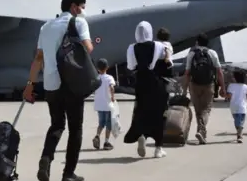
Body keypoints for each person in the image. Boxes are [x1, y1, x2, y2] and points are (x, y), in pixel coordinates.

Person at [23, 0, 93, 181]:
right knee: (75, 128)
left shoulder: (45, 27)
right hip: (72, 82)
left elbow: (38, 58)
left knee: (56, 125)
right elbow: (88, 48)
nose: (83, 11)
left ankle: (45, 160)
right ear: (73, 7)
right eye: (82, 7)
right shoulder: (78, 23)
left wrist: (29, 85)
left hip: (51, 83)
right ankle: (68, 174)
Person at [123, 21, 172, 159]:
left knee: (142, 112)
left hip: (141, 84)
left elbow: (131, 66)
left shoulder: (132, 48)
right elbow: (168, 63)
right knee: (160, 114)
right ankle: (158, 148)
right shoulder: (159, 46)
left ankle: (142, 135)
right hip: (157, 84)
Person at [182, 33, 226, 144]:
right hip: (208, 84)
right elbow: (219, 72)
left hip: (194, 84)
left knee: (198, 111)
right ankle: (201, 132)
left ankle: (201, 132)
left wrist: (184, 90)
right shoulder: (212, 53)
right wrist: (223, 88)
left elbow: (187, 73)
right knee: (206, 110)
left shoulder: (191, 54)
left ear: (197, 42)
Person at [92, 58, 116, 151]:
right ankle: (106, 142)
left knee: (101, 123)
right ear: (107, 67)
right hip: (108, 104)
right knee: (108, 124)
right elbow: (111, 87)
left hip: (99, 104)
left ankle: (97, 136)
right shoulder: (109, 78)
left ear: (98, 69)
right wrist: (113, 97)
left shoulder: (96, 78)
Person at [226, 70, 247, 143]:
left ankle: (239, 133)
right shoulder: (245, 86)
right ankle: (239, 135)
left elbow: (229, 96)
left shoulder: (231, 85)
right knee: (241, 121)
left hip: (233, 106)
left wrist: (226, 95)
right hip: (242, 107)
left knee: (236, 120)